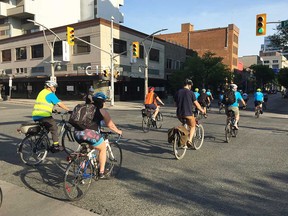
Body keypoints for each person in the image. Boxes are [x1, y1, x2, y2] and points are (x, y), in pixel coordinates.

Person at [73, 92, 122, 179]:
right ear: (102, 102)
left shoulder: (84, 107)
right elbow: (110, 125)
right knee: (102, 148)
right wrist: (118, 131)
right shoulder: (102, 111)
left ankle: (81, 168)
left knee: (87, 150)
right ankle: (101, 172)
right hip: (89, 134)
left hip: (77, 133)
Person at [32, 80, 70, 153]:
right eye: (54, 87)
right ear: (49, 86)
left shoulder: (42, 92)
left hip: (36, 115)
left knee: (46, 128)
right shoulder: (50, 94)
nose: (55, 89)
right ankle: (56, 146)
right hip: (44, 115)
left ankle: (41, 141)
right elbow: (59, 103)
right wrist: (68, 110)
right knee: (54, 128)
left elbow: (43, 104)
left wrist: (52, 110)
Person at [174, 79, 206, 147]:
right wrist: (202, 110)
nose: (191, 87)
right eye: (191, 85)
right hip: (188, 113)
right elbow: (196, 104)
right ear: (189, 85)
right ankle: (189, 140)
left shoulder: (178, 92)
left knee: (184, 123)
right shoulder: (191, 93)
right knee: (192, 126)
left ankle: (182, 134)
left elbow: (175, 103)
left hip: (179, 114)